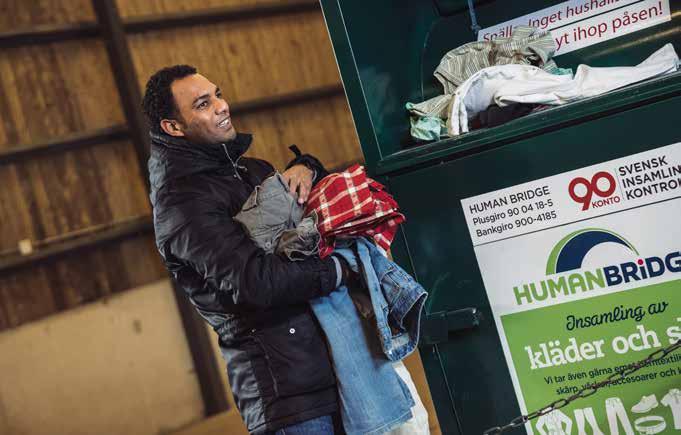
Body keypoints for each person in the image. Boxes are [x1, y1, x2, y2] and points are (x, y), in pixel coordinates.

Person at [142, 65, 351, 435]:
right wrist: (338, 270)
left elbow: (292, 220)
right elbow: (256, 281)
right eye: (204, 104)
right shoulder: (182, 202)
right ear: (173, 127)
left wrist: (305, 166)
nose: (222, 106)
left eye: (218, 95)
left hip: (330, 371)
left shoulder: (247, 170)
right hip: (286, 395)